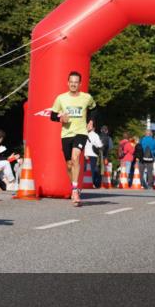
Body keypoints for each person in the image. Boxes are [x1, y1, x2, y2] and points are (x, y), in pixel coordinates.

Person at [50, 71, 96, 206]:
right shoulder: (61, 98)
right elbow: (52, 116)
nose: (74, 84)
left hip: (81, 132)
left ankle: (75, 190)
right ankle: (73, 185)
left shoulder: (86, 97)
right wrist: (60, 117)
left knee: (75, 157)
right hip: (66, 134)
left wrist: (91, 120)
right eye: (71, 82)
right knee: (69, 164)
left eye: (76, 82)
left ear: (80, 84)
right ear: (68, 83)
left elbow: (94, 109)